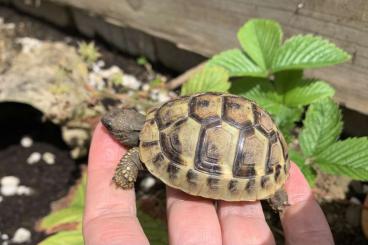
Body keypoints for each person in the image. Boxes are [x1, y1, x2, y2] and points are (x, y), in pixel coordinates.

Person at [83, 123, 334, 245]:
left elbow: (138, 154)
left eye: (115, 131)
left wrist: (124, 175)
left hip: (248, 157)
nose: (112, 133)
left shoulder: (141, 147)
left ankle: (272, 190)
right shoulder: (160, 120)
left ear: (126, 133)